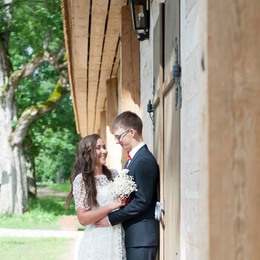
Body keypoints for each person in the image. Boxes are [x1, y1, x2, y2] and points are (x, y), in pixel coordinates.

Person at [95, 111, 160, 260]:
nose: (117, 141)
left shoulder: (144, 160)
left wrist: (112, 218)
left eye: (119, 136)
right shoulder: (131, 160)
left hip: (142, 238)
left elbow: (142, 201)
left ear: (132, 132)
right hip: (134, 236)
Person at [65, 134, 127, 260]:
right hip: (98, 240)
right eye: (98, 148)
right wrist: (112, 206)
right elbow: (83, 219)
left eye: (104, 147)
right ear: (87, 153)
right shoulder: (82, 180)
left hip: (117, 237)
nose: (104, 151)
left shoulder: (114, 175)